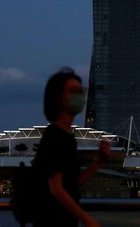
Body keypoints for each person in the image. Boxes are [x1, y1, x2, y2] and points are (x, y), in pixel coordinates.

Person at [33, 68, 110, 227]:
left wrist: (99, 161)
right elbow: (56, 188)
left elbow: (72, 183)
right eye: (73, 91)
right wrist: (86, 219)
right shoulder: (56, 136)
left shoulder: (67, 136)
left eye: (80, 91)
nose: (79, 96)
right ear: (59, 99)